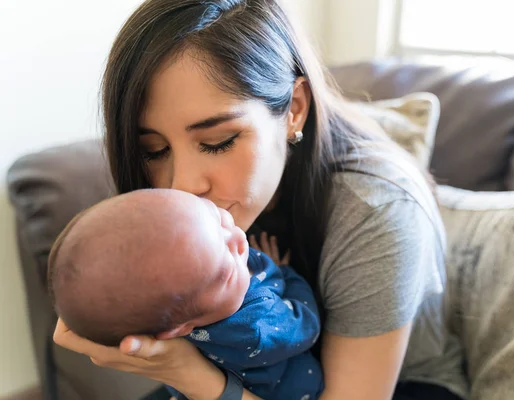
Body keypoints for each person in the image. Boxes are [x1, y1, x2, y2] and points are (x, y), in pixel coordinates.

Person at [52, 0, 469, 399]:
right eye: (154, 151)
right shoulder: (171, 212)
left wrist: (189, 375)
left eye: (218, 142)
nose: (182, 185)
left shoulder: (377, 211)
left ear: (294, 110)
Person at [48, 189, 324, 400]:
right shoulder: (255, 325)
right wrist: (288, 273)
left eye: (215, 216)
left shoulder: (171, 303)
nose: (238, 239)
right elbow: (306, 322)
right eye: (225, 271)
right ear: (180, 328)